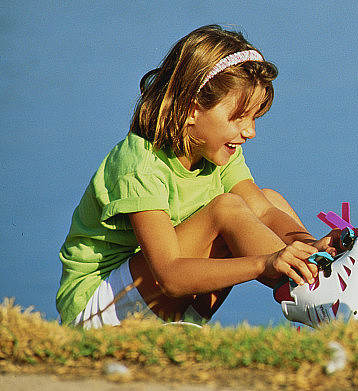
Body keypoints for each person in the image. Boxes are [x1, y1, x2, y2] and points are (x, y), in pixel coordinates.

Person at [57, 25, 342, 328]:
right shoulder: (139, 165)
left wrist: (312, 248)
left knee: (267, 199)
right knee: (226, 209)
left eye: (255, 117)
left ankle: (323, 274)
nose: (250, 132)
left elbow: (263, 210)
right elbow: (168, 276)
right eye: (238, 117)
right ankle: (319, 292)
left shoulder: (215, 151)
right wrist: (265, 263)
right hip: (96, 313)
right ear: (192, 110)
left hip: (153, 301)